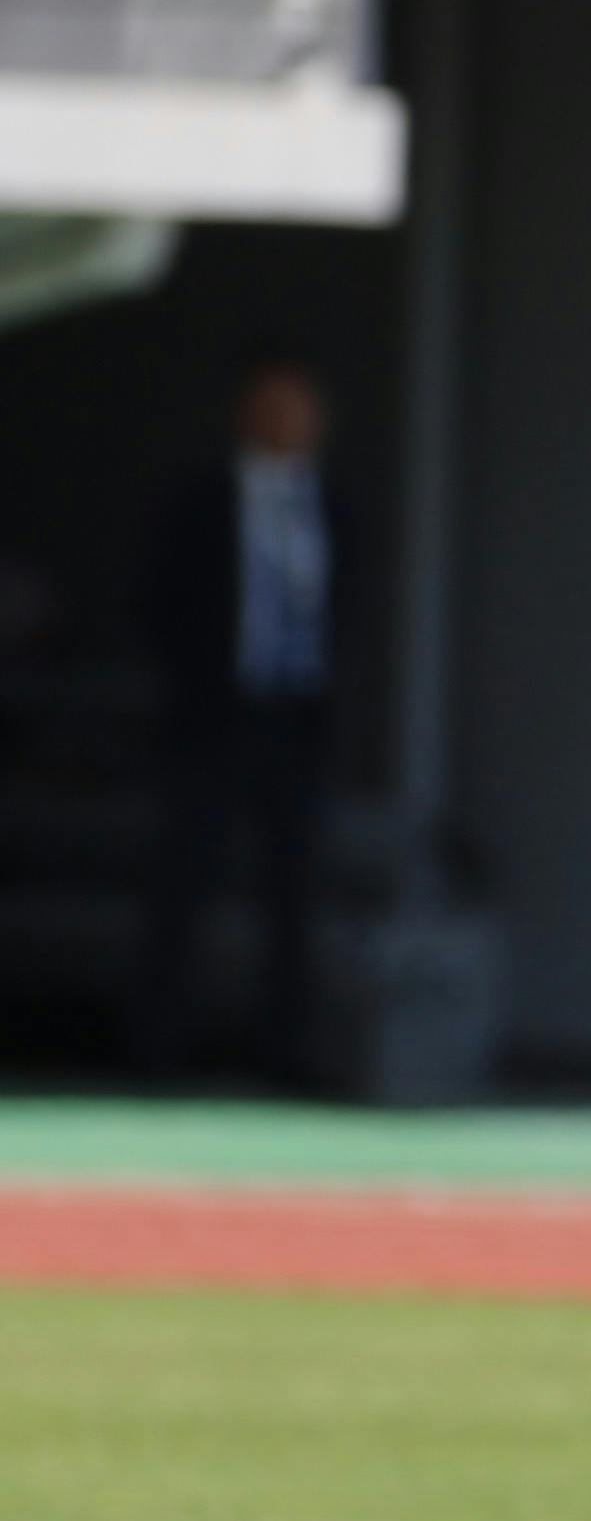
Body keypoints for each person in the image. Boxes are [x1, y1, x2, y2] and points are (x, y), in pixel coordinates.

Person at [136, 353, 343, 1081]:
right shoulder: (201, 501)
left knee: (294, 894)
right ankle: (157, 1053)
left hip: (295, 717)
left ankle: (286, 1054)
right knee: (182, 885)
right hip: (213, 718)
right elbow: (160, 603)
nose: (287, 421)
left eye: (299, 407)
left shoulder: (331, 505)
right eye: (273, 405)